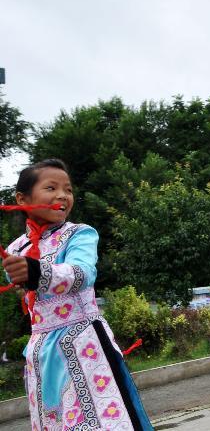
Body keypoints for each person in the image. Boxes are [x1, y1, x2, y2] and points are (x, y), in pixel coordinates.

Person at [1, 159, 152, 430]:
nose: (62, 195)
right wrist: (18, 270)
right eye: (51, 188)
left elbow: (82, 274)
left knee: (103, 421)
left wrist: (34, 271)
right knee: (53, 421)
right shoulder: (16, 247)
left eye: (68, 189)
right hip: (40, 352)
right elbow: (16, 280)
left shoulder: (79, 234)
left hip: (83, 343)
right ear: (22, 199)